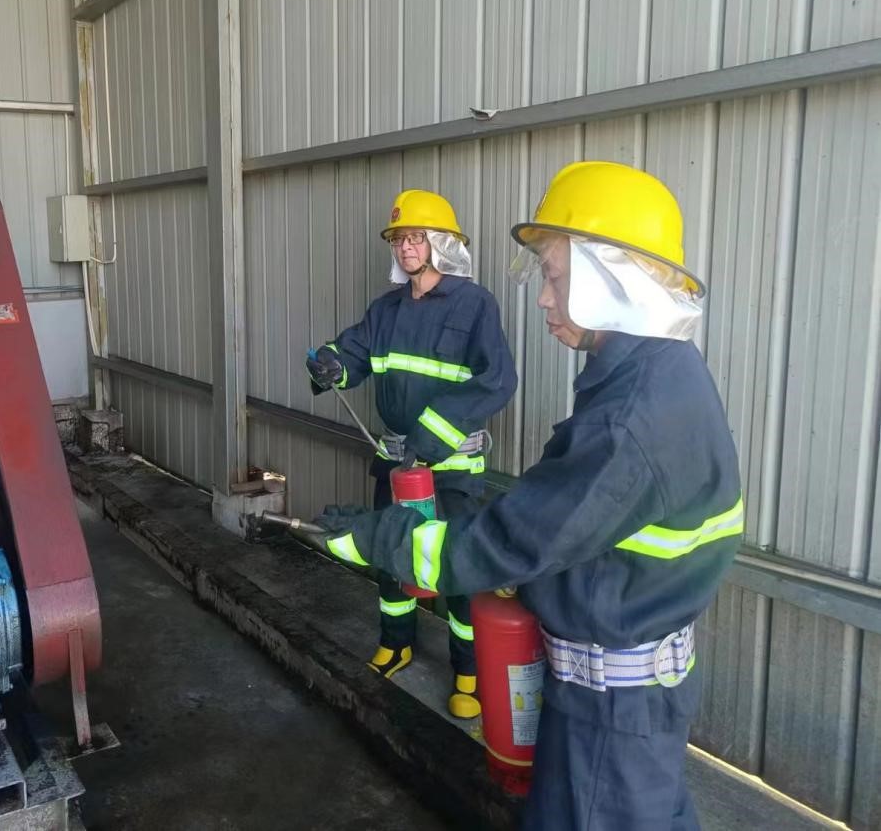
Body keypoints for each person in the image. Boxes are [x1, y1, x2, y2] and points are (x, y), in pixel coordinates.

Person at [318, 161, 742, 829]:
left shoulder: (626, 420)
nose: (543, 299)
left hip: (609, 712)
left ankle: (463, 671)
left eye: (555, 277)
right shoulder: (652, 374)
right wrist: (334, 364)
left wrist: (380, 538)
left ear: (612, 280)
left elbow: (515, 539)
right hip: (619, 696)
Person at [305, 188, 516, 719]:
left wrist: (431, 436)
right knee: (391, 553)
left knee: (458, 566)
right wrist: (331, 363)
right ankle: (396, 643)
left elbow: (497, 380)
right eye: (399, 238)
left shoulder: (475, 304)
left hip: (453, 469)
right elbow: (354, 352)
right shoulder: (386, 309)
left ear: (442, 244)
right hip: (398, 464)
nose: (405, 247)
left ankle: (468, 671)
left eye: (417, 237)